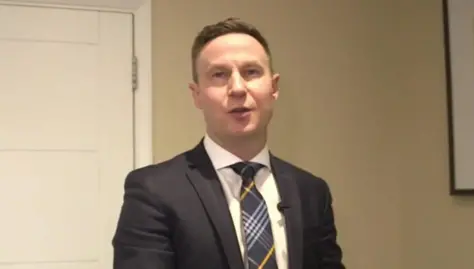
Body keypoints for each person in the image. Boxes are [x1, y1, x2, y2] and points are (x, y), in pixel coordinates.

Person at [112, 17, 345, 269]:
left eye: (251, 72)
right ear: (197, 94)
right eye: (219, 75)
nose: (237, 88)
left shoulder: (311, 192)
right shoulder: (153, 191)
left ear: (274, 87)